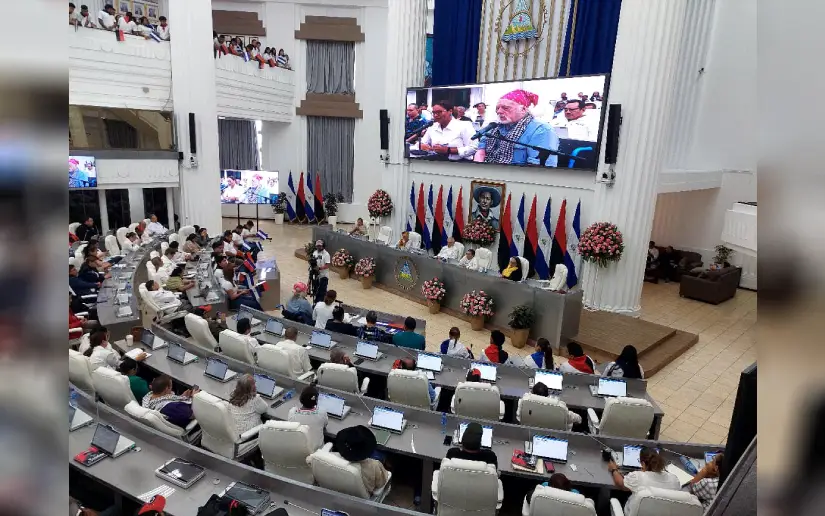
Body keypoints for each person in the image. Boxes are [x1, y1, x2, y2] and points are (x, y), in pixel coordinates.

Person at [474, 89, 559, 167]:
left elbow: (538, 169)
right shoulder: (493, 127)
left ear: (523, 109)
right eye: (497, 108)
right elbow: (480, 154)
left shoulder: (541, 130)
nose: (499, 111)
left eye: (505, 108)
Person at [331, 425, 389, 496]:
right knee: (382, 455)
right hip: (363, 497)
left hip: (336, 491)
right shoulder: (374, 465)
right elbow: (381, 483)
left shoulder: (330, 458)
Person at [607, 446, 680, 495]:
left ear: (643, 463)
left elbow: (621, 484)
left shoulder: (638, 477)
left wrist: (613, 469)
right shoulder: (674, 480)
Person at [517, 381, 581, 429]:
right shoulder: (560, 407)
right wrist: (579, 419)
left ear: (532, 392)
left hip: (528, 432)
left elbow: (519, 418)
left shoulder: (523, 402)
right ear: (547, 395)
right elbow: (577, 419)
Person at [287, 384, 328, 452]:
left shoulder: (292, 412)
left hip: (298, 453)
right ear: (316, 401)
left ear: (301, 398)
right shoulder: (322, 412)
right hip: (317, 455)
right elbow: (325, 425)